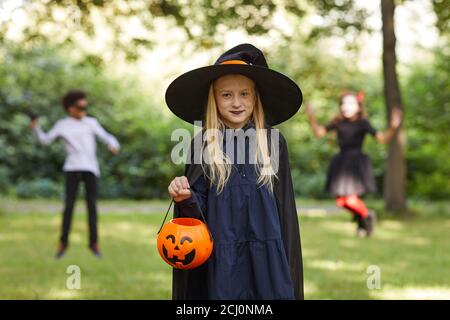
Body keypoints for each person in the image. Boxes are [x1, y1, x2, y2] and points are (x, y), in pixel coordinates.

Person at [164, 43, 303, 300]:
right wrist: (186, 198)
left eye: (244, 94)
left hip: (267, 257)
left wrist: (288, 264)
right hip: (223, 260)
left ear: (255, 97)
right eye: (226, 95)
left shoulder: (272, 141)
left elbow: (284, 209)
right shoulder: (202, 143)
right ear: (214, 99)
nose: (236, 102)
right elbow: (198, 215)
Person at [30, 90, 120, 258]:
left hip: (91, 169)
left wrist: (113, 144)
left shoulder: (91, 122)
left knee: (92, 207)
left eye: (85, 107)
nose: (83, 110)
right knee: (68, 207)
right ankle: (63, 243)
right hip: (72, 169)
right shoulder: (62, 124)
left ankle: (94, 243)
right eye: (80, 107)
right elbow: (45, 140)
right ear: (70, 108)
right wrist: (36, 128)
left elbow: (108, 137)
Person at [306, 91, 402, 236]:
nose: (346, 107)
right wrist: (311, 118)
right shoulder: (338, 122)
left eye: (351, 103)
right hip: (342, 161)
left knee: (350, 199)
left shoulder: (363, 123)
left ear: (358, 106)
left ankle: (366, 216)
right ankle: (364, 219)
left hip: (356, 163)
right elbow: (319, 133)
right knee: (341, 202)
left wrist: (393, 127)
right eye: (344, 104)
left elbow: (382, 139)